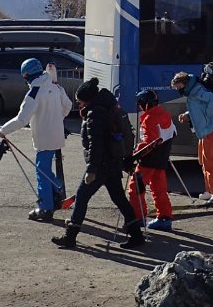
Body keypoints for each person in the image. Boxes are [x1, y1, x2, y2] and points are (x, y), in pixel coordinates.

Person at [51, 78, 145, 249]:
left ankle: (70, 236)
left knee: (81, 197)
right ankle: (137, 235)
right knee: (119, 199)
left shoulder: (95, 113)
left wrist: (91, 170)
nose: (78, 103)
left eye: (79, 100)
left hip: (100, 165)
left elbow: (97, 145)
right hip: (113, 162)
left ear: (87, 99)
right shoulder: (108, 106)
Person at [0, 58, 73, 221]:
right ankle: (57, 192)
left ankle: (46, 208)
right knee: (44, 169)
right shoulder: (56, 86)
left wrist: (3, 131)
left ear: (26, 75)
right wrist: (57, 118)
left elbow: (22, 119)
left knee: (41, 171)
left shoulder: (34, 92)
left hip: (44, 138)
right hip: (57, 135)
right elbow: (68, 106)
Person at [171, 71, 213, 204]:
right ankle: (209, 191)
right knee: (203, 162)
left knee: (210, 164)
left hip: (210, 130)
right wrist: (187, 114)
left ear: (184, 84)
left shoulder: (196, 91)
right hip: (204, 132)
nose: (178, 90)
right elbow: (199, 107)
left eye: (178, 87)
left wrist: (208, 115)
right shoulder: (192, 92)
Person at [127, 88, 177, 231]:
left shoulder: (149, 118)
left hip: (148, 160)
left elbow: (150, 142)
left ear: (145, 103)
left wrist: (135, 152)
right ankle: (164, 218)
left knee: (135, 188)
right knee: (159, 190)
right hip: (161, 159)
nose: (140, 107)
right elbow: (173, 133)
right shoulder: (165, 114)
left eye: (140, 104)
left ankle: (138, 218)